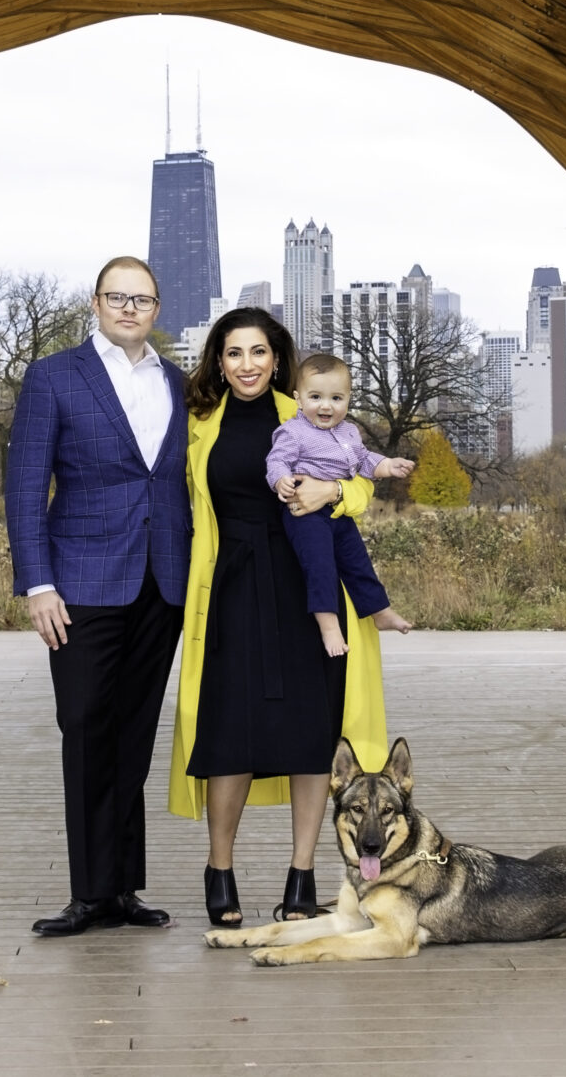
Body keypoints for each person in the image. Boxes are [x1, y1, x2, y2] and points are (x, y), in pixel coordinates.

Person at [166, 307, 407, 932]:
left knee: (312, 735)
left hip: (308, 584)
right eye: (233, 353)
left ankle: (303, 875)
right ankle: (220, 869)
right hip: (230, 588)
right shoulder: (197, 424)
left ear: (279, 360)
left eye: (259, 353)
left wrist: (335, 493)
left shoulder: (306, 411)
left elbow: (359, 483)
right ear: (218, 361)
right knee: (228, 734)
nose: (247, 365)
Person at [5, 255, 190, 938]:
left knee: (134, 735)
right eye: (118, 297)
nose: (130, 308)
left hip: (161, 582)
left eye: (142, 299)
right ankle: (88, 894)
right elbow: (26, 484)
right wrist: (37, 583)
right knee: (85, 727)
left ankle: (121, 889)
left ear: (156, 308)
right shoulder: (54, 377)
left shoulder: (177, 382)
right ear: (96, 303)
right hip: (78, 583)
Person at [265, 352, 415, 658]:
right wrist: (280, 479)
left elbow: (363, 461)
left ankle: (379, 610)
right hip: (305, 514)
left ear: (347, 399)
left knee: (357, 560)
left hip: (337, 510)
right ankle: (329, 625)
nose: (326, 405)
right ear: (298, 398)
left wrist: (388, 465)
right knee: (320, 564)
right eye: (316, 396)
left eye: (336, 398)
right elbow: (276, 459)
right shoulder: (293, 431)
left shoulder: (349, 432)